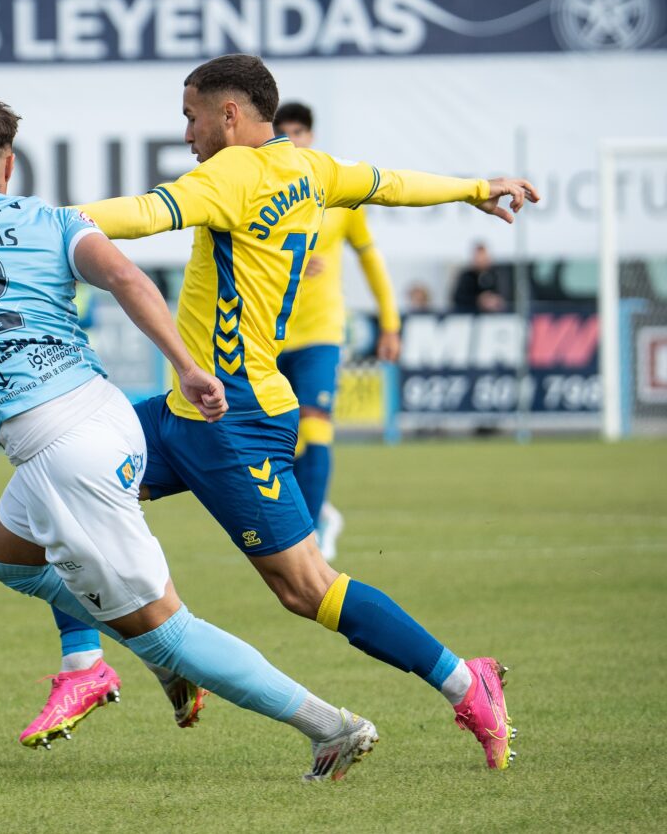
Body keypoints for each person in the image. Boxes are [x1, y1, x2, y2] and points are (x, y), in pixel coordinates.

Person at [0, 93, 383, 783]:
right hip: (106, 414)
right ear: (9, 165)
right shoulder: (48, 220)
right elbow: (126, 276)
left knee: (171, 627)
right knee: (9, 559)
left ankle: (331, 727)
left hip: (60, 448)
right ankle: (152, 659)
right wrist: (188, 367)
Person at [32, 54, 535, 771]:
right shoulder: (310, 167)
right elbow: (390, 184)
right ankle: (115, 659)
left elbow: (144, 214)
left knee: (306, 589)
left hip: (234, 421)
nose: (187, 133)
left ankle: (465, 680)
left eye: (191, 116)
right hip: (186, 410)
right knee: (63, 486)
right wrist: (476, 187)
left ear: (229, 115)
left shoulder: (231, 174)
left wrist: (39, 221)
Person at [273, 102, 402, 561]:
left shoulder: (337, 194)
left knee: (317, 423)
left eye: (299, 131)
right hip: (268, 335)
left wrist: (391, 320)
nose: (293, 138)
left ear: (311, 134)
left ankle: (306, 538)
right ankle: (321, 512)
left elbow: (370, 258)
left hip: (321, 330)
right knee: (282, 437)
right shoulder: (265, 190)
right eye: (283, 131)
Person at [451, 242, 510, 313]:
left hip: (494, 319)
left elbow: (505, 296)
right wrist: (478, 300)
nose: (481, 260)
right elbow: (458, 298)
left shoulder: (495, 275)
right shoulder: (467, 277)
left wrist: (494, 300)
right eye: (479, 257)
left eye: (483, 257)